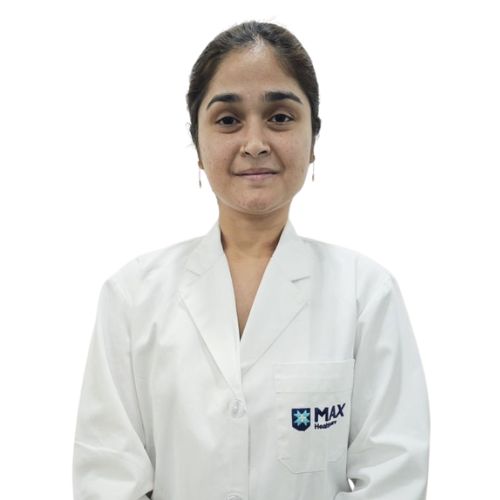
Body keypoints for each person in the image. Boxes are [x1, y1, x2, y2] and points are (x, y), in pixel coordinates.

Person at [72, 20, 430, 500]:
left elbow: (393, 475)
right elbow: (107, 475)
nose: (255, 142)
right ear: (198, 145)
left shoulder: (366, 294)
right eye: (228, 120)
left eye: (280, 117)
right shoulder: (132, 296)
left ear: (313, 138)